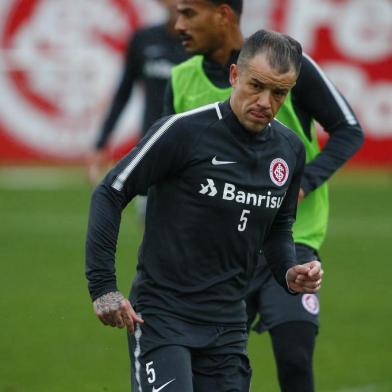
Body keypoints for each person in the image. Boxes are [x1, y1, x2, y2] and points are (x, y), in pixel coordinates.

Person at [85, 29, 323, 392]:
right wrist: (103, 287)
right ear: (234, 76)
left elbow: (278, 226)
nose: (265, 101)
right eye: (256, 85)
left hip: (228, 324)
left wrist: (288, 271)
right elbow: (111, 190)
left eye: (279, 93)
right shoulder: (184, 132)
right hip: (162, 316)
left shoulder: (289, 150)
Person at [164, 1, 364, 391]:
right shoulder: (180, 79)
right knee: (214, 375)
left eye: (188, 13)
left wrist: (304, 183)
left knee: (294, 358)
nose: (178, 25)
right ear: (236, 78)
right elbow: (170, 169)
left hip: (292, 244)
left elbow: (349, 129)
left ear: (223, 15)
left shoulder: (286, 66)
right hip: (220, 256)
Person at [86, 0, 189, 187]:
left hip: (191, 146)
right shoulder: (143, 39)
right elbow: (123, 94)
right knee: (149, 210)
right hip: (151, 143)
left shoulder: (203, 45)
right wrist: (102, 142)